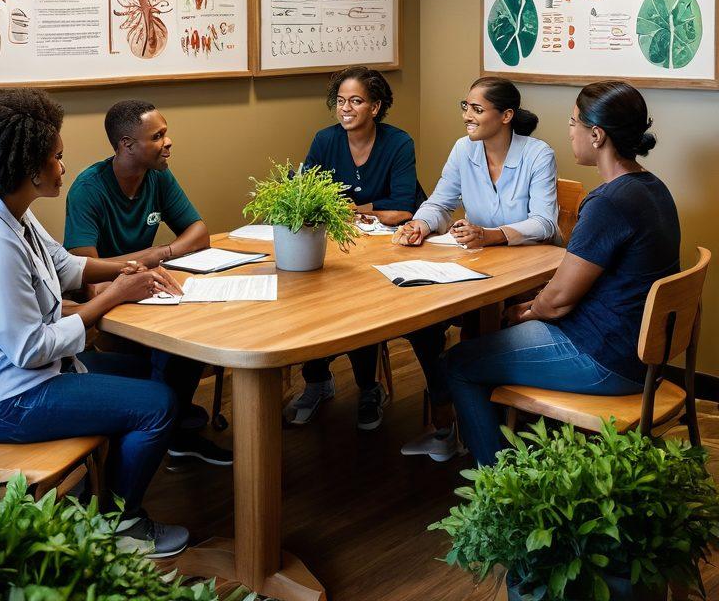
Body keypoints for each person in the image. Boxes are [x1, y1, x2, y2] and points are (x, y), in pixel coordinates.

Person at [0, 89, 190, 557]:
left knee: (153, 374)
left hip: (26, 378)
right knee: (156, 404)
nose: (63, 166)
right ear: (29, 169)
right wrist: (112, 298)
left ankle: (92, 498)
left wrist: (128, 272)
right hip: (3, 399)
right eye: (56, 158)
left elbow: (66, 266)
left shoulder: (13, 214)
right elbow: (30, 348)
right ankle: (122, 525)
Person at [437, 80, 680, 465]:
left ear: (597, 135)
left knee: (460, 363)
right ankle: (522, 452)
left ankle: (497, 485)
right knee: (493, 339)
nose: (569, 132)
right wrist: (536, 307)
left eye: (573, 123)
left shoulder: (608, 203)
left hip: (606, 357)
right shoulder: (652, 187)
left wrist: (528, 310)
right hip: (642, 351)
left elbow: (560, 298)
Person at [395, 76, 558, 461]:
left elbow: (545, 223)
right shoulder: (462, 149)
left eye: (476, 109)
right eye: (464, 106)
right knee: (423, 324)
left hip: (526, 278)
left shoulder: (537, 154)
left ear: (506, 116)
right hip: (472, 270)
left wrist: (492, 235)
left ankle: (488, 434)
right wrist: (419, 224)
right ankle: (448, 424)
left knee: (475, 339)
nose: (467, 116)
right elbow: (440, 202)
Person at [64, 99, 231, 468]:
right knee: (174, 349)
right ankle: (167, 430)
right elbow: (87, 276)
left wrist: (159, 255)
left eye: (165, 133)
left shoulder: (158, 174)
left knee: (192, 331)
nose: (168, 142)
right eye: (157, 136)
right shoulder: (88, 189)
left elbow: (199, 232)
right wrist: (140, 266)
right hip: (111, 305)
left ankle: (174, 431)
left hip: (149, 289)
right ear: (126, 145)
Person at [283, 65, 432, 432]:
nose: (345, 108)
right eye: (340, 100)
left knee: (361, 307)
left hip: (393, 247)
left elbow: (402, 210)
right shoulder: (325, 140)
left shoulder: (398, 143)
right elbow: (308, 197)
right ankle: (317, 380)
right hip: (338, 243)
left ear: (376, 107)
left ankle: (369, 388)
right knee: (309, 296)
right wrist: (353, 211)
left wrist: (353, 210)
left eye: (356, 101)